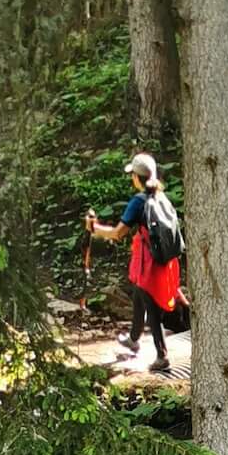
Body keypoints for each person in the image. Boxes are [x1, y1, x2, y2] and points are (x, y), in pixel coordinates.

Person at [86, 154, 183, 376]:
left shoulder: (139, 201)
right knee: (139, 295)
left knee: (151, 306)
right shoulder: (161, 197)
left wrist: (94, 228)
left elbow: (118, 233)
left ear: (137, 178)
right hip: (164, 261)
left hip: (149, 263)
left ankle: (162, 356)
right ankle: (133, 339)